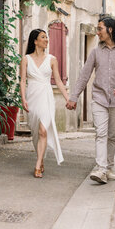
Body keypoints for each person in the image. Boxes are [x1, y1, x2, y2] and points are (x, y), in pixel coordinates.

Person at [66, 17, 115, 184]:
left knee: (112, 135)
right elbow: (85, 75)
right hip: (99, 98)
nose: (97, 33)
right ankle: (101, 169)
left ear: (110, 30)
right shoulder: (96, 52)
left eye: (100, 29)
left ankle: (109, 167)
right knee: (101, 133)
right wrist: (74, 97)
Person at [20, 29, 71, 178]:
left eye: (47, 37)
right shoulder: (26, 59)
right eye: (43, 37)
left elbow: (59, 81)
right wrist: (23, 98)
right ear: (35, 41)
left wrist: (68, 98)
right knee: (36, 132)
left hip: (47, 97)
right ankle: (41, 158)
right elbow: (23, 81)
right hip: (32, 97)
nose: (47, 40)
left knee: (43, 130)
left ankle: (37, 166)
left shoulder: (52, 59)